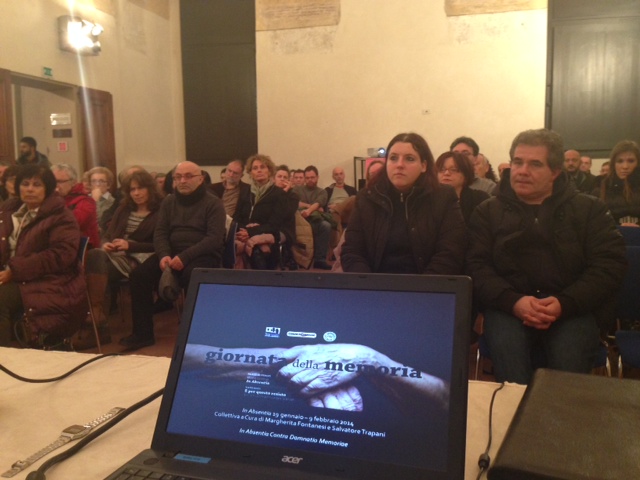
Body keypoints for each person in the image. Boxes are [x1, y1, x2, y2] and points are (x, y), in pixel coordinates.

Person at [466, 129, 627, 384]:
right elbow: (477, 266)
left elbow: (609, 266)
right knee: (512, 367)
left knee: (567, 365)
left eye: (535, 164)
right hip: (508, 306)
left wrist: (565, 303)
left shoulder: (589, 210)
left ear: (555, 172)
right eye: (518, 162)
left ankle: (559, 411)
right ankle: (516, 410)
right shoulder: (487, 211)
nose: (522, 171)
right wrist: (514, 301)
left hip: (572, 307)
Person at [120, 161, 226, 350]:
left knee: (192, 275)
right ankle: (143, 334)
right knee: (139, 275)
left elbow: (214, 239)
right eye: (178, 177)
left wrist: (184, 257)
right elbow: (160, 233)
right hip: (171, 254)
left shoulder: (213, 203)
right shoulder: (169, 202)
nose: (182, 181)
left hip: (202, 254)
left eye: (188, 176)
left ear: (200, 179)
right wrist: (163, 255)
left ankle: (197, 335)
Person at [341, 132, 467, 274]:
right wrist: (369, 283)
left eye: (409, 159)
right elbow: (352, 250)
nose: (399, 165)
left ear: (424, 165)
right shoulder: (367, 197)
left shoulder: (443, 197)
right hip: (374, 282)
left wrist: (423, 285)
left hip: (428, 283)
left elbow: (451, 252)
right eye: (393, 158)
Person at [0, 164, 86, 347]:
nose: (30, 189)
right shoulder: (9, 212)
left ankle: (4, 359)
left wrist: (14, 271)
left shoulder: (61, 216)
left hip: (51, 281)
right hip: (13, 276)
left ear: (48, 188)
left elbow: (61, 255)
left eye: (37, 184)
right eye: (25, 184)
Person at [80, 170, 162, 349]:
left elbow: (160, 244)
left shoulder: (161, 211)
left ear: (150, 189)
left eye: (140, 188)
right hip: (115, 254)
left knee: (93, 269)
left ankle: (95, 322)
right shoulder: (124, 208)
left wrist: (130, 246)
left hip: (141, 257)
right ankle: (96, 316)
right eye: (132, 189)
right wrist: (106, 244)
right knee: (95, 256)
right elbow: (107, 235)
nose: (136, 193)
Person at [235, 154, 292, 270]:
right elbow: (236, 217)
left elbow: (274, 225)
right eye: (255, 168)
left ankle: (263, 279)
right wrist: (244, 231)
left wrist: (250, 232)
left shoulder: (278, 194)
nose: (259, 170)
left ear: (269, 171)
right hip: (244, 232)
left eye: (262, 167)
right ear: (251, 173)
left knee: (257, 249)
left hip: (269, 233)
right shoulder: (245, 192)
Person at [294, 165, 334, 270]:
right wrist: (311, 207)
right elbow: (295, 203)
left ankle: (320, 260)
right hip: (300, 221)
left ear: (317, 177)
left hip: (314, 220)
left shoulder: (322, 192)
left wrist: (308, 211)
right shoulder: (297, 190)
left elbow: (318, 202)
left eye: (312, 177)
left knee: (326, 225)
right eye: (307, 178)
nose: (310, 180)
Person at [52, 164, 101, 248]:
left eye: (60, 182)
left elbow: (71, 224)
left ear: (73, 182)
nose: (55, 185)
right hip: (59, 244)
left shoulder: (86, 202)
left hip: (82, 249)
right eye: (53, 181)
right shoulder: (50, 199)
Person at [436, 151, 489, 223]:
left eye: (453, 170)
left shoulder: (480, 199)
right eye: (442, 170)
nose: (446, 173)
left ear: (466, 174)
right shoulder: (430, 199)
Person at [596, 140, 640, 227]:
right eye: (620, 161)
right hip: (611, 234)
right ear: (613, 164)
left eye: (631, 161)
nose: (625, 166)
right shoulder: (601, 187)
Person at [273, 165, 300, 269]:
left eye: (285, 177)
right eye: (279, 176)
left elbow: (286, 214)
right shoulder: (269, 194)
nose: (282, 179)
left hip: (285, 230)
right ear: (274, 179)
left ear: (289, 181)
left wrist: (284, 192)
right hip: (269, 227)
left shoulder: (293, 196)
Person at [210, 159, 251, 224]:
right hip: (214, 222)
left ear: (241, 175)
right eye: (229, 171)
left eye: (235, 173)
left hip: (235, 224)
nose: (231, 175)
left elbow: (246, 214)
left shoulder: (247, 190)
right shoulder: (213, 188)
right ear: (226, 171)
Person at [86, 166, 116, 236]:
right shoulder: (85, 199)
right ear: (90, 184)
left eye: (101, 181)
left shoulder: (112, 202)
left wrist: (96, 201)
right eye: (94, 181)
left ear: (108, 185)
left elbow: (99, 221)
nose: (97, 184)